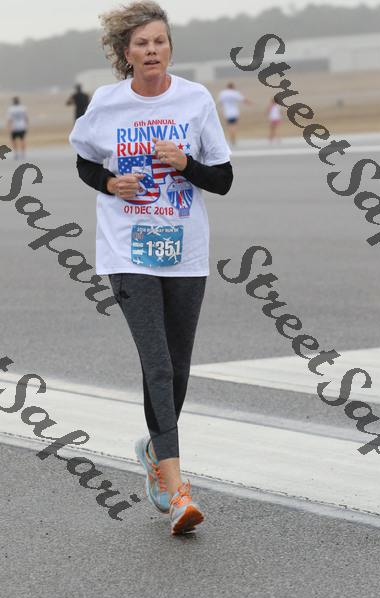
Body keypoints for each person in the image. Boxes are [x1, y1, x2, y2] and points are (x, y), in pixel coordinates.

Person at [69, 0, 233, 536]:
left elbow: (223, 179)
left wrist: (185, 163)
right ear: (126, 53)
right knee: (157, 366)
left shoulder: (195, 99)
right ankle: (179, 490)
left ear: (169, 48)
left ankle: (153, 451)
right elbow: (84, 160)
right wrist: (109, 182)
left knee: (178, 369)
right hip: (128, 251)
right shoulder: (107, 103)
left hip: (184, 252)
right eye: (141, 43)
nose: (152, 50)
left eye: (159, 41)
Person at [217, 82, 252, 147]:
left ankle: (231, 139)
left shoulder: (223, 93)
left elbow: (220, 102)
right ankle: (233, 139)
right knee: (234, 126)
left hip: (227, 112)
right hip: (234, 112)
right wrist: (250, 103)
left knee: (229, 126)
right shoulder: (235, 93)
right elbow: (243, 99)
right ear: (233, 87)